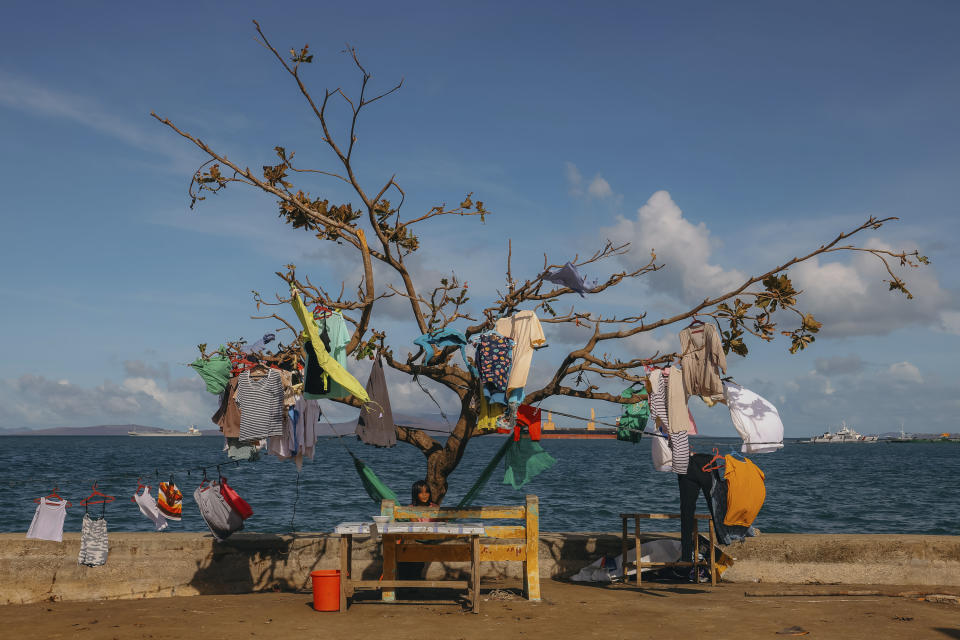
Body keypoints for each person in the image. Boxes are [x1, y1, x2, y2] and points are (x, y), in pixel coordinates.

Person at [396, 480, 438, 586]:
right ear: (415, 494)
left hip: (429, 539)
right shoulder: (411, 508)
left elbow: (441, 523)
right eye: (421, 492)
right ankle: (406, 582)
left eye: (427, 492)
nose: (425, 495)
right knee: (407, 549)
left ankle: (411, 583)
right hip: (417, 537)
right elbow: (415, 526)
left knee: (413, 551)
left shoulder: (435, 508)